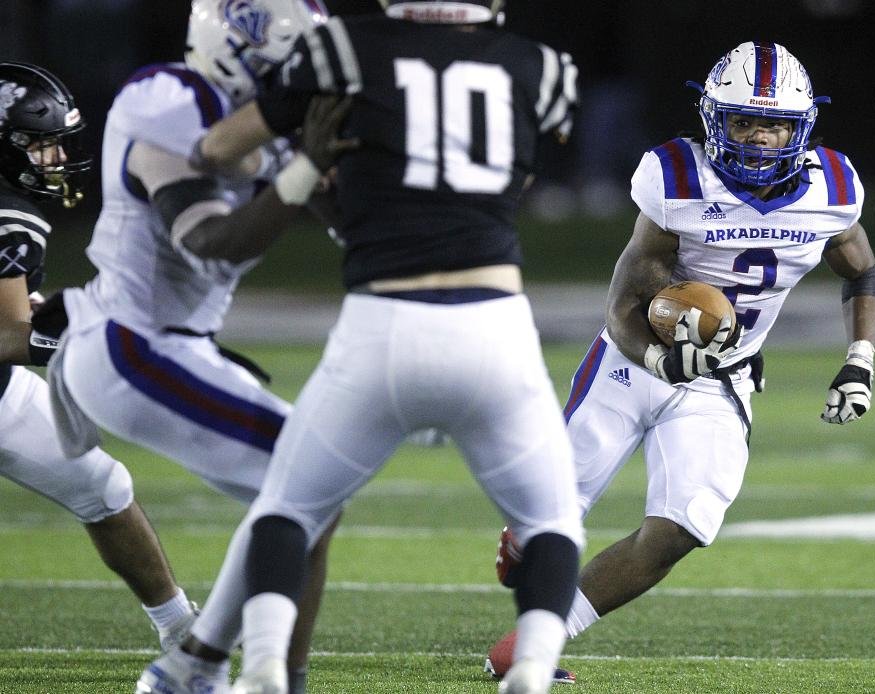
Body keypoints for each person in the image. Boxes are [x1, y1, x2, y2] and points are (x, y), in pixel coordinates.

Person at [137, 1, 586, 692]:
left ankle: (260, 664)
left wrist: (245, 155)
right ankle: (529, 667)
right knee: (550, 521)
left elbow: (222, 147)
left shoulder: (344, 48)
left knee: (289, 508)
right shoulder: (543, 65)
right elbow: (519, 173)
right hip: (493, 322)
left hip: (382, 321)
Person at [485, 41, 875, 682]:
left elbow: (862, 273)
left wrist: (859, 359)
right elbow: (624, 302)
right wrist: (657, 357)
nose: (759, 139)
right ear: (713, 120)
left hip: (721, 380)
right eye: (744, 122)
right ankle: (528, 533)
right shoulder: (676, 177)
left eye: (776, 123)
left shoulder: (832, 190)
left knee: (682, 527)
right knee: (551, 514)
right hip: (631, 363)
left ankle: (540, 640)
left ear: (802, 126)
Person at [41, 3, 339, 693]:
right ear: (240, 44)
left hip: (169, 344)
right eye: (289, 62)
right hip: (130, 340)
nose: (296, 82)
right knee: (310, 478)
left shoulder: (258, 122)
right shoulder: (169, 97)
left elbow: (350, 219)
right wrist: (303, 169)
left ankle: (193, 666)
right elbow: (207, 244)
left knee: (306, 490)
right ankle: (257, 675)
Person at [0, 61, 197, 650]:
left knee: (103, 487)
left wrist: (53, 310)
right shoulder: (12, 216)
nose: (54, 160)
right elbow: (6, 337)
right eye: (39, 145)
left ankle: (179, 628)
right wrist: (93, 342)